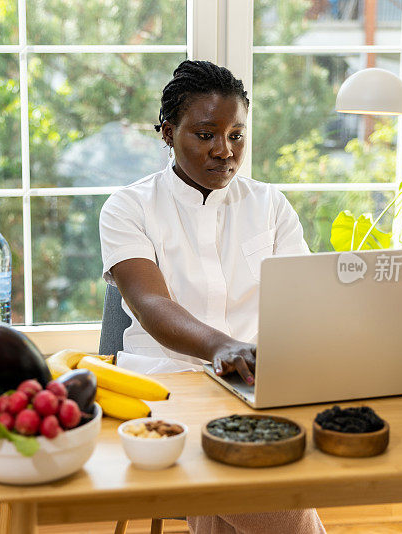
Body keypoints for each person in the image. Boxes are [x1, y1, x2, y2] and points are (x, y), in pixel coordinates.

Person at [99, 60, 325, 534]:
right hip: (167, 387)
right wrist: (223, 347)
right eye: (206, 135)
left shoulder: (269, 205)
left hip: (255, 386)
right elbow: (152, 305)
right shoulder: (129, 207)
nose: (225, 151)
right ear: (167, 132)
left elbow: (303, 301)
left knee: (290, 461)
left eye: (237, 136)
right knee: (273, 494)